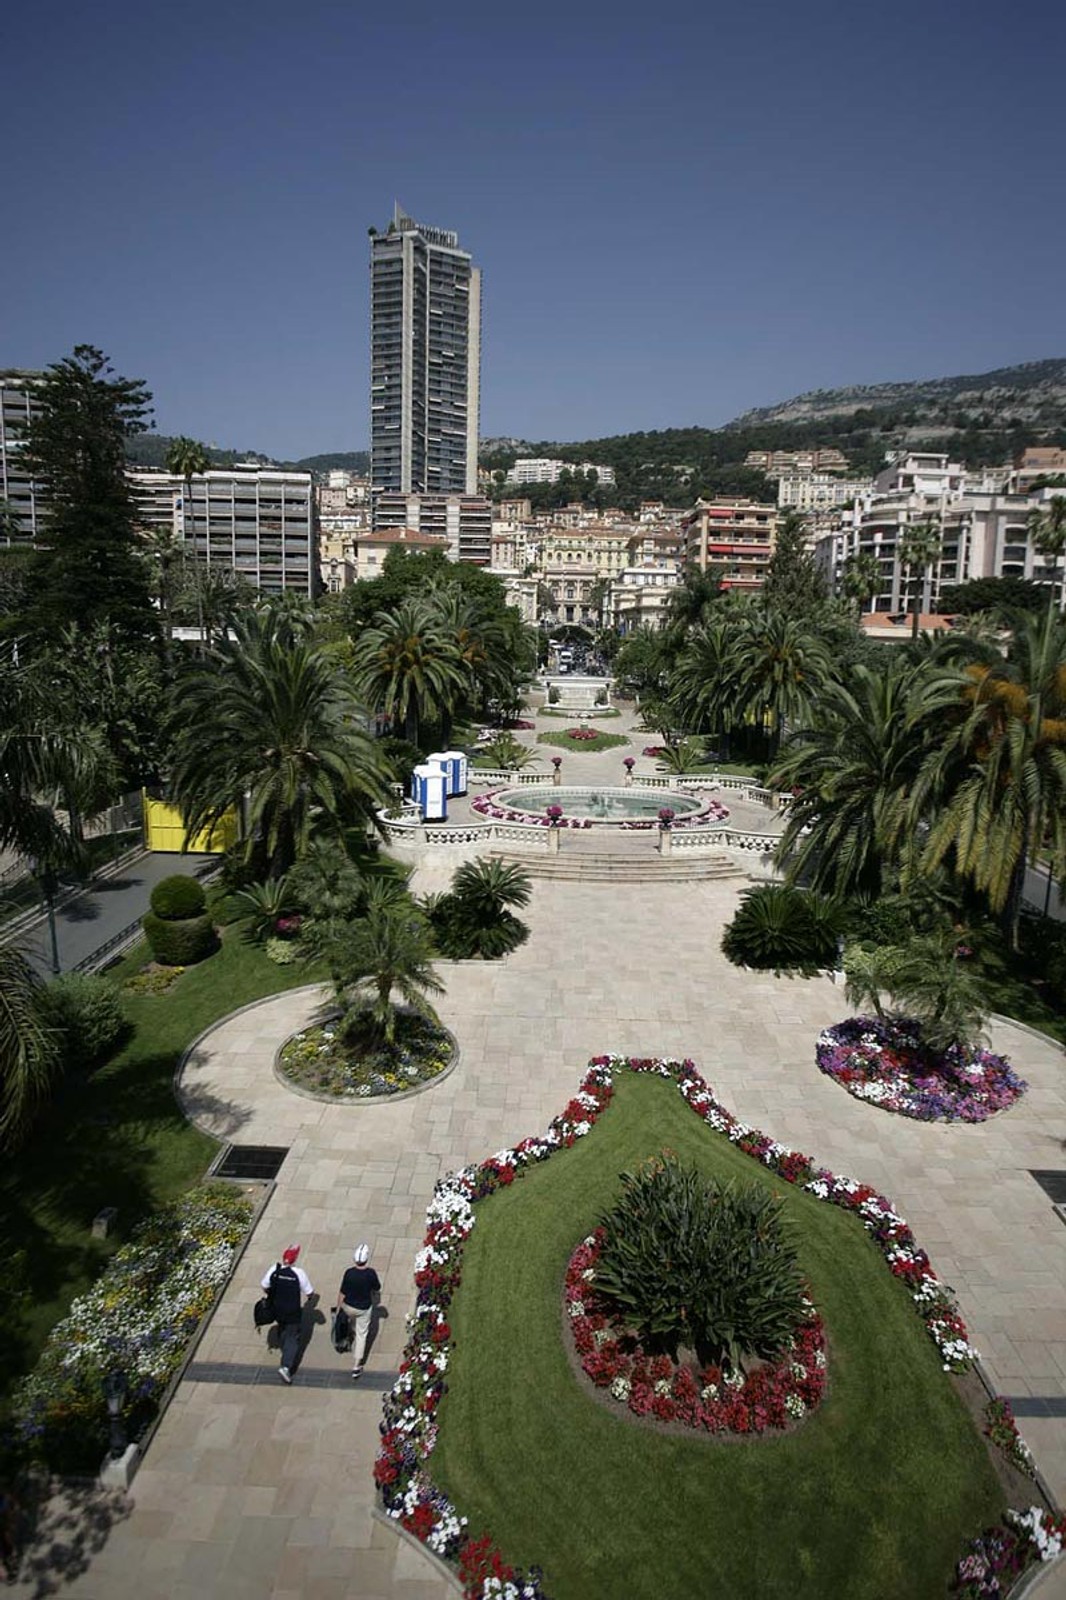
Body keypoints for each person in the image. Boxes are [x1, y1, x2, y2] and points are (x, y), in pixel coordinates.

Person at [261, 1245, 313, 1384]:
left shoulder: (275, 1269)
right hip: (292, 1311)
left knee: (282, 1327)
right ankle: (286, 1366)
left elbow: (264, 1285)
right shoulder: (299, 1273)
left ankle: (284, 1347)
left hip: (277, 1309)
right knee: (293, 1338)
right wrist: (310, 1298)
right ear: (295, 1259)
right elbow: (309, 1292)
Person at [334, 1242, 381, 1379]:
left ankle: (350, 1333)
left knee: (352, 1322)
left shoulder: (349, 1273)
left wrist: (338, 1308)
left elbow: (342, 1292)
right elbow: (377, 1287)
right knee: (362, 1334)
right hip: (363, 1308)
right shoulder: (370, 1274)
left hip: (348, 1306)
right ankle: (356, 1365)